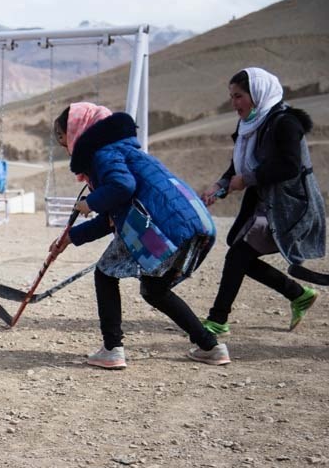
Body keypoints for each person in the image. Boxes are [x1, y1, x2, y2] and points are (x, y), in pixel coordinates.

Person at [50, 102, 229, 369]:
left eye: (64, 139)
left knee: (106, 273)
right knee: (155, 290)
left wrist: (91, 202)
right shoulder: (123, 151)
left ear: (78, 131)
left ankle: (112, 349)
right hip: (191, 220)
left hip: (161, 224)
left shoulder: (104, 153)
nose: (65, 148)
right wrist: (71, 237)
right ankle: (211, 346)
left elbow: (122, 187)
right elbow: (112, 218)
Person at [200, 68, 325, 335]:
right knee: (239, 255)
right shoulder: (250, 124)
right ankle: (298, 294)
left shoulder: (285, 122)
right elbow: (240, 163)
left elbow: (289, 167)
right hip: (264, 203)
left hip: (289, 206)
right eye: (232, 97)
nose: (234, 103)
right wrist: (220, 185)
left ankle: (218, 320)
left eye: (239, 96)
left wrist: (247, 179)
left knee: (238, 255)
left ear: (257, 94)